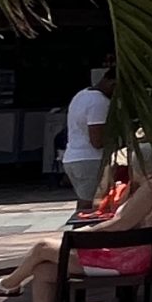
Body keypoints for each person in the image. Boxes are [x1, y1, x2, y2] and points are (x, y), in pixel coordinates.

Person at [0, 152, 152, 302]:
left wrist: (86, 234)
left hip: (127, 257)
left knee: (43, 247)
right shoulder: (151, 186)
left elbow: (121, 224)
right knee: (43, 271)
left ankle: (10, 283)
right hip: (128, 252)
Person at [61, 61, 114, 211]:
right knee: (92, 204)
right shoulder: (99, 102)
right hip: (90, 160)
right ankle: (83, 232)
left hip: (74, 157)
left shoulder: (82, 95)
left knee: (85, 200)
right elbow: (97, 140)